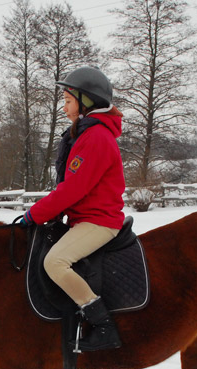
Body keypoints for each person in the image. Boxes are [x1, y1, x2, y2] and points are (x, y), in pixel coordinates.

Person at [21, 66, 126, 352]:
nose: (64, 108)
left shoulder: (96, 138)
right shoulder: (86, 135)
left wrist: (34, 215)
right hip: (84, 218)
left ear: (86, 102)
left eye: (68, 101)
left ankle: (102, 324)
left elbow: (73, 189)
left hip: (100, 221)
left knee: (54, 262)